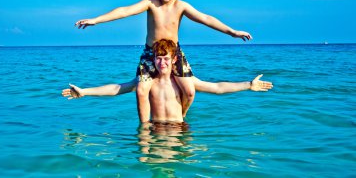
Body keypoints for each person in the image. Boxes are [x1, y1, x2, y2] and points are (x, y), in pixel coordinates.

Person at [74, 0, 252, 123]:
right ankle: (144, 127)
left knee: (190, 91)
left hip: (173, 52)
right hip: (152, 53)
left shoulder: (181, 6)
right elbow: (124, 11)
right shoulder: (150, 3)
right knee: (141, 90)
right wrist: (96, 20)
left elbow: (206, 19)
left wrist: (232, 32)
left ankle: (180, 117)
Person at [62, 39, 273, 123]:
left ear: (174, 60)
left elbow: (217, 87)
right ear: (153, 59)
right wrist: (85, 91)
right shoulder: (147, 81)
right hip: (153, 129)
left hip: (179, 129)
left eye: (166, 58)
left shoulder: (182, 82)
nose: (162, 62)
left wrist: (248, 84)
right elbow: (116, 88)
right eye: (158, 58)